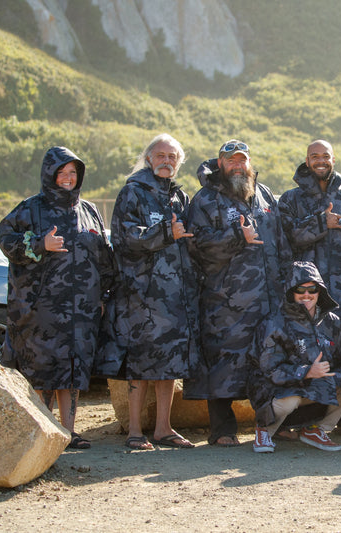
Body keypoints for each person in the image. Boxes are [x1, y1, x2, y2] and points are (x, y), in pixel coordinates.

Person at [0, 146, 115, 450]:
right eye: (61, 172)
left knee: (74, 370)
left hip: (83, 308)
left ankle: (68, 431)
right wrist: (39, 244)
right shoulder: (30, 208)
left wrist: (103, 294)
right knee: (43, 370)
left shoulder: (88, 209)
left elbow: (104, 255)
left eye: (72, 172)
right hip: (42, 307)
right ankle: (42, 430)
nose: (67, 178)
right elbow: (5, 239)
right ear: (49, 174)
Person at [183, 140, 291, 448]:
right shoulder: (205, 199)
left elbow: (280, 242)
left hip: (268, 299)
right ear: (220, 165)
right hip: (225, 302)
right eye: (230, 160)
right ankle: (222, 429)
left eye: (242, 160)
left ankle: (271, 425)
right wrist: (235, 238)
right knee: (222, 364)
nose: (237, 165)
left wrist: (286, 284)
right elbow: (197, 246)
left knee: (267, 361)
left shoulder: (265, 193)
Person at [278, 140, 341, 436]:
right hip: (307, 296)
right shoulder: (291, 199)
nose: (320, 161)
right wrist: (321, 222)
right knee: (306, 355)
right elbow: (286, 238)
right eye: (314, 156)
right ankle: (296, 420)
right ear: (306, 161)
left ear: (333, 159)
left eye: (325, 156)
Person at [111, 134, 200, 450]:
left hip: (175, 296)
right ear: (148, 159)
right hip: (142, 295)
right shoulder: (132, 193)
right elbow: (125, 239)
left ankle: (164, 428)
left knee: (168, 363)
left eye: (172, 157)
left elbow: (189, 239)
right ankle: (135, 430)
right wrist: (166, 232)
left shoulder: (180, 198)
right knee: (141, 364)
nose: (166, 161)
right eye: (160, 155)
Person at [250, 261, 341, 453]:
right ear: (290, 292)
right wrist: (306, 372)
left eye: (312, 289)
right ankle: (264, 429)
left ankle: (315, 429)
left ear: (320, 291)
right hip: (276, 389)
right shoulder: (274, 323)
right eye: (300, 290)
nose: (306, 295)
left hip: (313, 388)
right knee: (292, 398)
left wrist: (322, 375)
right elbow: (269, 370)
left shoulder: (333, 322)